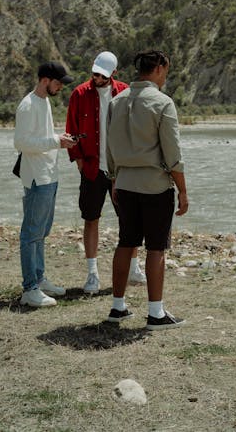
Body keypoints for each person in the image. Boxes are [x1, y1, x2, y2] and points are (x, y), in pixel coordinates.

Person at [106, 49, 189, 329]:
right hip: (155, 185)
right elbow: (173, 153)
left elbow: (110, 147)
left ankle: (118, 308)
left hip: (125, 182)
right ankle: (156, 313)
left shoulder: (116, 101)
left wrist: (115, 178)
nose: (166, 75)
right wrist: (183, 190)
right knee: (156, 248)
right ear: (159, 69)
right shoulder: (163, 102)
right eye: (166, 70)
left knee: (125, 242)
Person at [66, 51, 146, 294]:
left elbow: (134, 127)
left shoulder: (125, 92)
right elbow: (71, 127)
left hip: (120, 169)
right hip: (91, 169)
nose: (96, 77)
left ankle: (134, 267)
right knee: (91, 219)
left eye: (101, 74)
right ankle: (92, 274)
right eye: (94, 73)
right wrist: (78, 158)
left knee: (130, 219)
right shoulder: (79, 94)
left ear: (113, 74)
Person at [14, 60, 77, 308]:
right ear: (45, 80)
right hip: (37, 178)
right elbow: (21, 143)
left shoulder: (44, 101)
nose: (61, 86)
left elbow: (41, 138)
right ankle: (29, 289)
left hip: (49, 175)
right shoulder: (28, 105)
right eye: (58, 82)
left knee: (41, 232)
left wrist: (59, 140)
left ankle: (39, 279)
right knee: (31, 234)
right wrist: (56, 141)